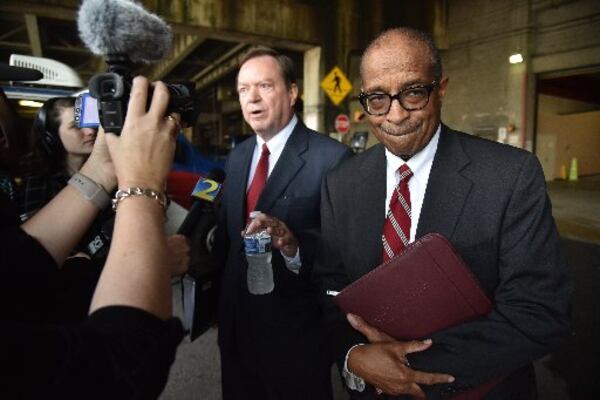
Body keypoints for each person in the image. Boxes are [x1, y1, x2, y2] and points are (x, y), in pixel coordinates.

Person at [312, 27, 572, 399]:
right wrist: (354, 356)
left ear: (441, 88)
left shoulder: (510, 176)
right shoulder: (340, 183)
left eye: (414, 92)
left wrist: (404, 370)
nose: (396, 114)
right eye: (378, 99)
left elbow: (539, 310)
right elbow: (330, 289)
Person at [1, 76, 186, 398]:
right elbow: (117, 365)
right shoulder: (34, 184)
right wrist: (142, 184)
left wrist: (104, 169)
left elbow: (14, 268)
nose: (4, 141)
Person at [215, 46, 351, 399]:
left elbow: (346, 254)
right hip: (236, 333)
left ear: (292, 92)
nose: (252, 98)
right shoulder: (238, 155)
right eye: (244, 90)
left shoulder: (332, 160)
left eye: (264, 86)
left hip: (296, 337)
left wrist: (293, 245)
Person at [18, 97, 97, 221]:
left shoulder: (107, 168)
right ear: (52, 136)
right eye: (76, 126)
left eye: (89, 123)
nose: (90, 131)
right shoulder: (40, 180)